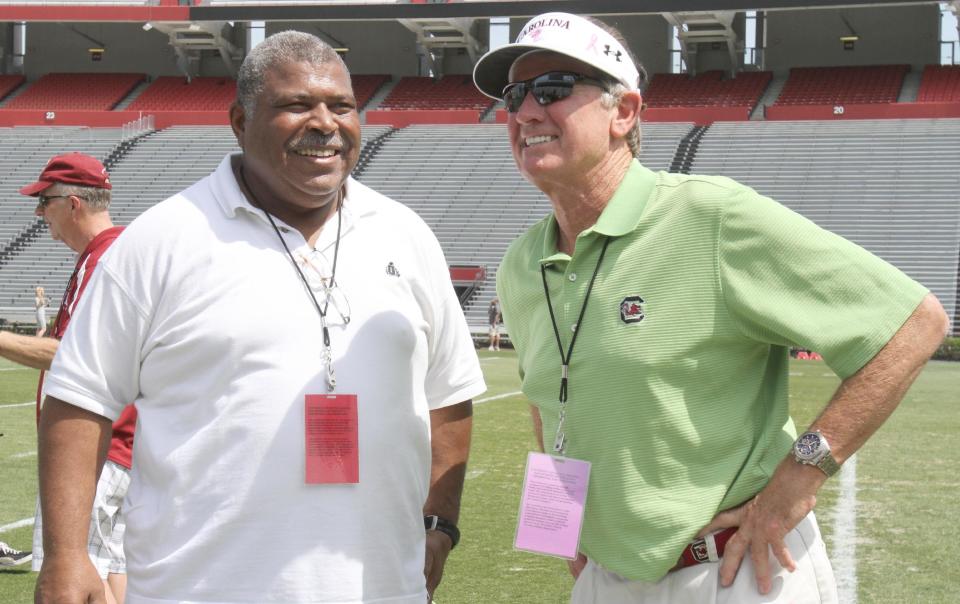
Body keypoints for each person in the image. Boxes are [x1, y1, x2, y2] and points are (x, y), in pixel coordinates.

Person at [473, 12, 949, 603]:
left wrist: (800, 477)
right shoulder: (522, 263)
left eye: (552, 90)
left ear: (623, 112)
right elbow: (551, 401)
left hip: (737, 572)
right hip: (605, 579)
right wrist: (559, 528)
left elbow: (913, 323)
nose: (524, 112)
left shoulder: (711, 217)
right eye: (514, 95)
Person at [35, 31, 485, 604]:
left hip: (381, 588)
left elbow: (449, 394)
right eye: (297, 105)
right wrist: (68, 557)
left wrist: (440, 522)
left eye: (342, 106)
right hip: (197, 590)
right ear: (240, 121)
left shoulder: (407, 233)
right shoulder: (159, 241)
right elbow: (80, 401)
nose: (325, 123)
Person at [0, 152, 135, 604]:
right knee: (111, 578)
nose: (39, 214)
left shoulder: (106, 259)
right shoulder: (107, 254)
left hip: (97, 446)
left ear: (73, 202)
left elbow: (71, 356)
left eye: (45, 201)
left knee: (71, 580)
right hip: (115, 445)